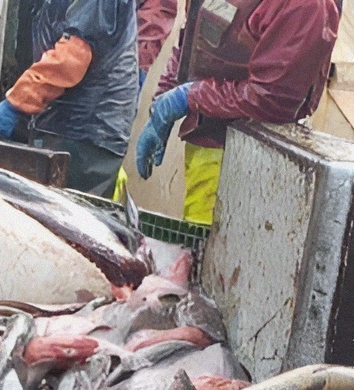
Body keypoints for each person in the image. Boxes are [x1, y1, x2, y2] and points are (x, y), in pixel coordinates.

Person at [131, 0, 339, 225]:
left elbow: (273, 98)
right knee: (194, 243)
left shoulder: (305, 6)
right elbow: (194, 33)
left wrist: (187, 96)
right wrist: (163, 101)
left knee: (213, 249)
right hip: (205, 143)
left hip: (250, 161)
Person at [0, 0, 139, 196]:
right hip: (66, 126)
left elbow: (72, 58)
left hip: (84, 133)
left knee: (66, 218)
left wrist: (18, 102)